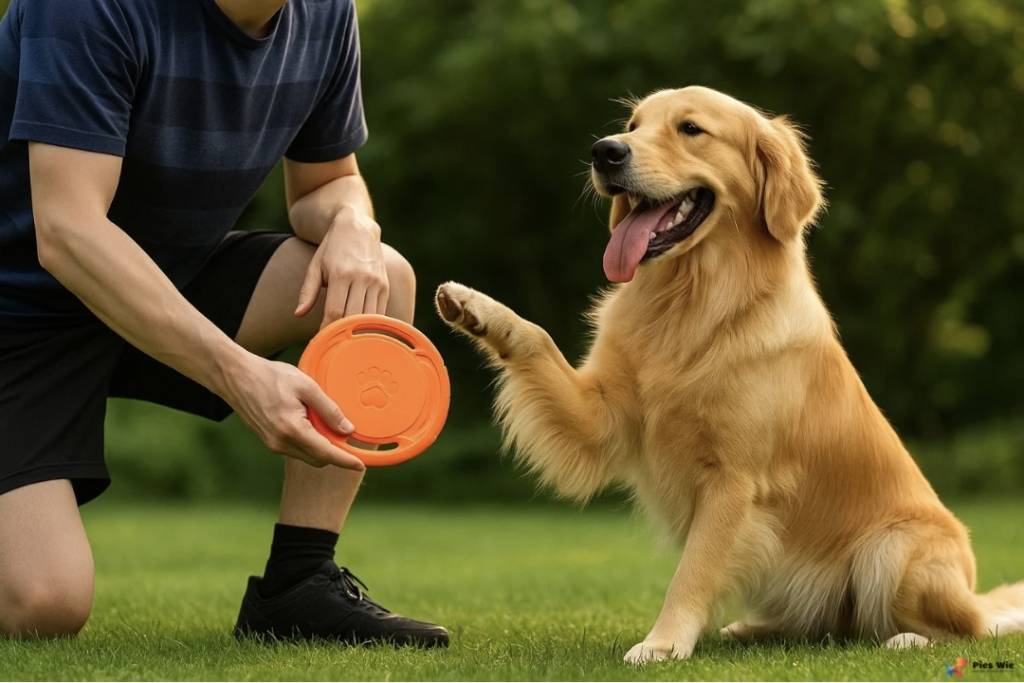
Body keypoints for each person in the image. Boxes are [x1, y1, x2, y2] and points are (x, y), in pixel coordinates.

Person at [0, 0, 448, 647]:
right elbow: (69, 231)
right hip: (21, 316)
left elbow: (328, 182)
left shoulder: (324, 13)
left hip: (169, 276)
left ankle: (299, 584)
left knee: (384, 274)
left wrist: (354, 222)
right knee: (43, 603)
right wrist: (241, 375)